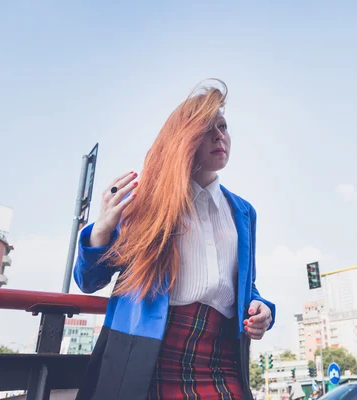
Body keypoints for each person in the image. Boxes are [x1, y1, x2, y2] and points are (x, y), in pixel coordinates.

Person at [73, 79, 276, 400]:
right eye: (207, 128)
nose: (219, 135)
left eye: (222, 126)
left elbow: (245, 287)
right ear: (184, 138)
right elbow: (89, 281)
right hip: (148, 357)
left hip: (222, 360)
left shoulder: (244, 212)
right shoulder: (146, 203)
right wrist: (102, 228)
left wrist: (264, 310)